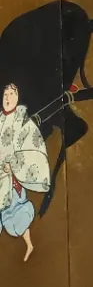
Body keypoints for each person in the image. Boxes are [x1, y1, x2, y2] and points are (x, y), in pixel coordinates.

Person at [0, 83, 51, 262]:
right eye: (5, 94)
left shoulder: (23, 122)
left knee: (15, 211)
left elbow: (32, 149)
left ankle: (29, 244)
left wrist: (13, 165)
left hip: (13, 177)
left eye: (11, 94)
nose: (8, 98)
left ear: (17, 97)